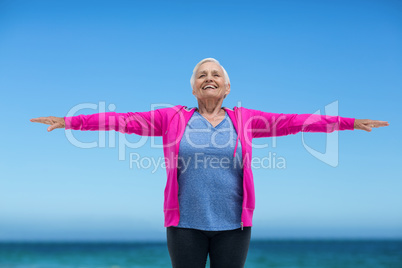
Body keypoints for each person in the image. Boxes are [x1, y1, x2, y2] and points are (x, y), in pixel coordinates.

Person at [30, 58, 389, 268]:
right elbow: (120, 120)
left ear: (227, 88)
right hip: (185, 225)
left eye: (215, 74)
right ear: (193, 89)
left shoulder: (245, 120)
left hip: (234, 225)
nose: (209, 78)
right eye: (201, 75)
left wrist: (351, 123)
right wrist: (70, 122)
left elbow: (297, 122)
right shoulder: (172, 118)